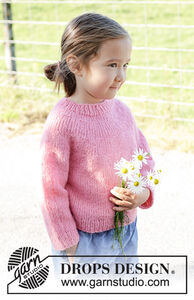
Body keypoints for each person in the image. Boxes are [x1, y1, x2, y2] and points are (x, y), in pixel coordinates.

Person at [40, 12, 155, 280]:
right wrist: (68, 242)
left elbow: (144, 159)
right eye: (112, 64)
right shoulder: (62, 122)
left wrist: (142, 192)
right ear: (76, 65)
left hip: (126, 230)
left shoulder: (122, 112)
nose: (121, 75)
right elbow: (51, 190)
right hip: (84, 243)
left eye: (126, 64)